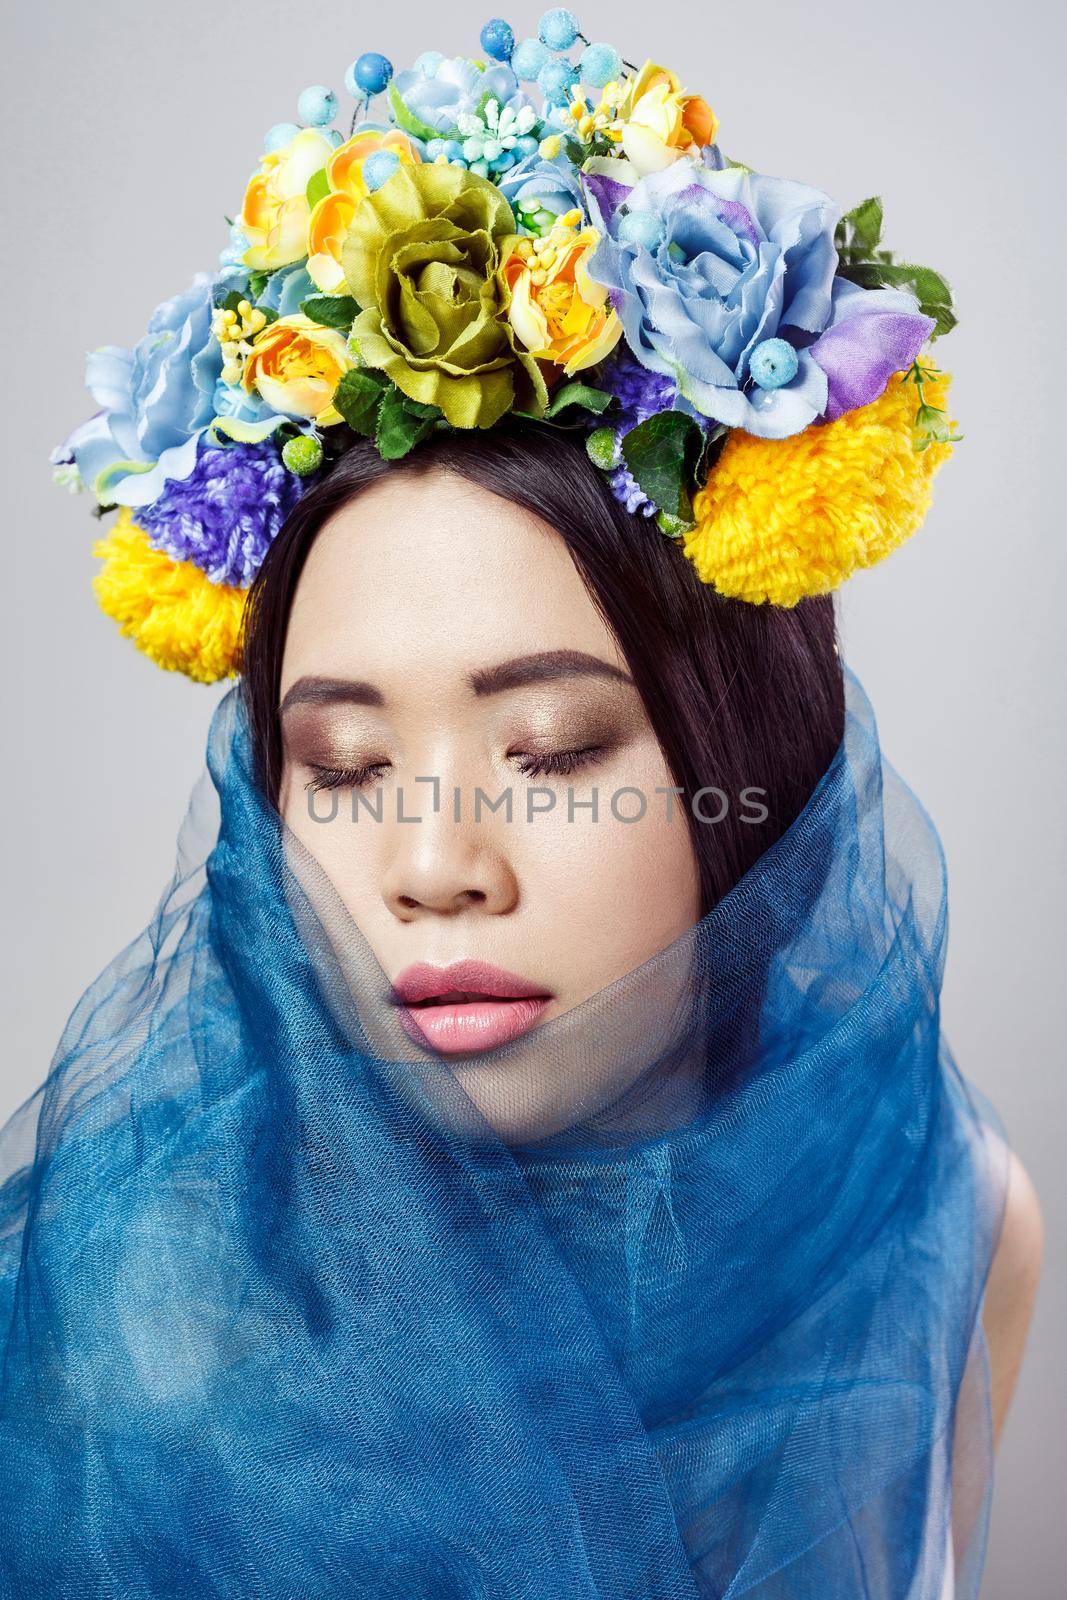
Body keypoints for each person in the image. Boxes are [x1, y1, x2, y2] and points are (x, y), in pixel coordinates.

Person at [4, 14, 1041, 1597]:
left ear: (742, 767)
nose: (432, 865)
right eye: (342, 772)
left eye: (554, 751)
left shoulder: (949, 1224)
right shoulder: (131, 1342)